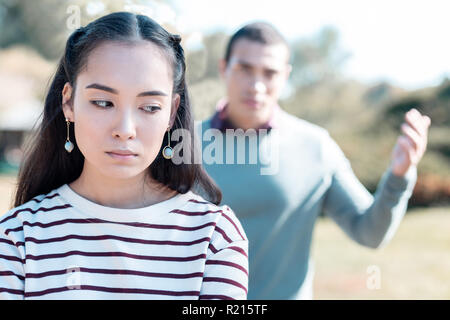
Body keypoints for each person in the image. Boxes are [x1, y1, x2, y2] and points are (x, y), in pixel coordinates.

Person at [0, 12, 248, 300]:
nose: (125, 130)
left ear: (171, 112)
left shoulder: (214, 237)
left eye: (150, 107)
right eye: (103, 102)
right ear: (68, 102)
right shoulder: (16, 238)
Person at [196, 22, 430, 299]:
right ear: (224, 68)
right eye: (244, 69)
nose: (256, 85)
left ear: (285, 76)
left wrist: (399, 175)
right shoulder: (182, 145)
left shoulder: (315, 147)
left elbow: (370, 233)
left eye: (270, 73)